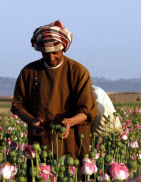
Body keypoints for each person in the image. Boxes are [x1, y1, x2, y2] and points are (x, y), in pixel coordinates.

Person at [11, 20, 97, 158]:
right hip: (40, 142)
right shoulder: (29, 72)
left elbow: (88, 111)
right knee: (38, 177)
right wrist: (31, 120)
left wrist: (70, 122)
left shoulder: (78, 72)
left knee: (72, 177)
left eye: (55, 52)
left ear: (63, 47)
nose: (51, 57)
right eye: (46, 53)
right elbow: (17, 105)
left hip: (72, 142)